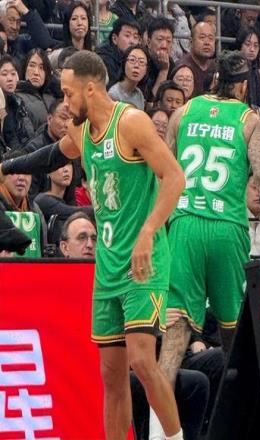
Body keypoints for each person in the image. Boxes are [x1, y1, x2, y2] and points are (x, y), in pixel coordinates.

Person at [0, 50, 185, 440]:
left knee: (142, 361)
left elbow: (174, 178)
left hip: (143, 262)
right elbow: (50, 157)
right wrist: (6, 166)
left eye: (68, 94)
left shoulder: (130, 123)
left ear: (89, 89)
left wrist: (149, 231)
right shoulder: (81, 132)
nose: (65, 102)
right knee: (111, 375)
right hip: (108, 264)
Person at [153, 49, 260, 440]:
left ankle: (159, 435)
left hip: (184, 226)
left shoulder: (182, 113)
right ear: (242, 86)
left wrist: (154, 233)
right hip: (227, 229)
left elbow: (162, 176)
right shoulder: (249, 120)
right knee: (237, 345)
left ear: (214, 80)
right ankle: (239, 430)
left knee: (172, 345)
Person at [96, 17, 141, 89]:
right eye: (127, 35)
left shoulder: (138, 57)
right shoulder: (104, 58)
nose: (132, 41)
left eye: (135, 37)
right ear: (114, 39)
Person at [177, 21, 216, 98]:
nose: (207, 43)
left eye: (211, 38)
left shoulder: (216, 67)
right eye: (202, 37)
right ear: (191, 42)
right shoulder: (183, 68)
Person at [109, 44, 148, 110]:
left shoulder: (139, 94)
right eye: (132, 60)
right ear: (124, 64)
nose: (136, 65)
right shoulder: (114, 94)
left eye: (141, 62)